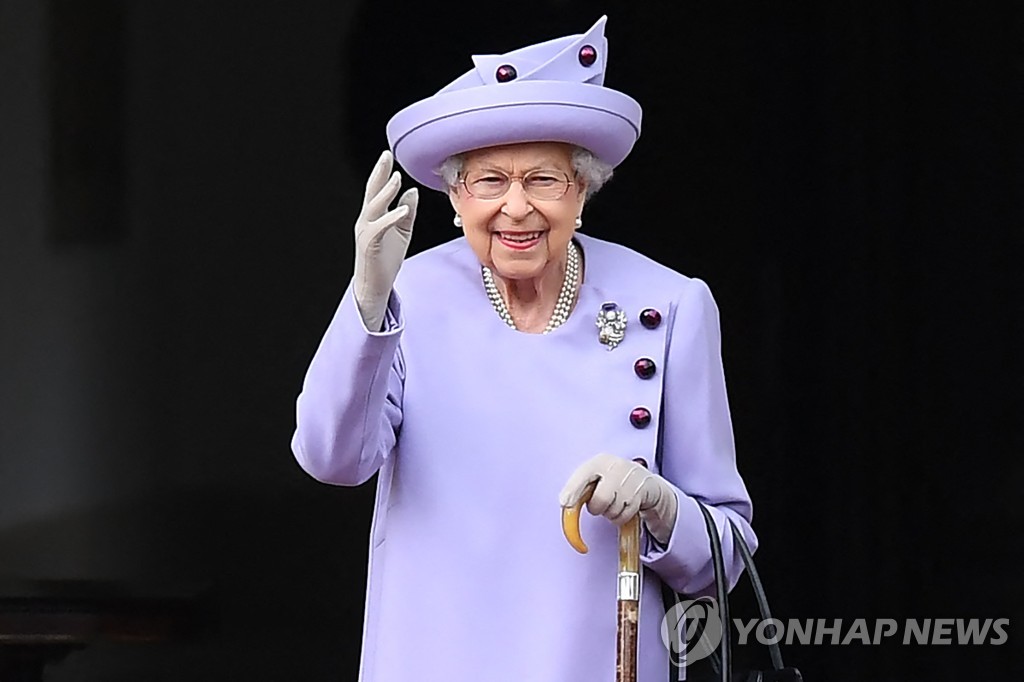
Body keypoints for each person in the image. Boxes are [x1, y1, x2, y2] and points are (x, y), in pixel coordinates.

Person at [291, 15, 756, 682]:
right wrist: (367, 297)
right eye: (489, 181)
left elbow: (725, 553)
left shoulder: (672, 304)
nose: (517, 207)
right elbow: (330, 459)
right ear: (455, 196)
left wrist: (660, 503)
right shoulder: (407, 295)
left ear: (583, 190)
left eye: (543, 180)